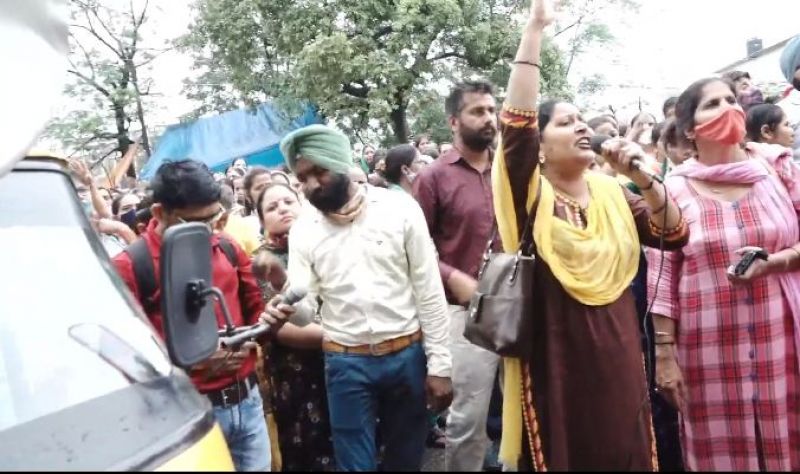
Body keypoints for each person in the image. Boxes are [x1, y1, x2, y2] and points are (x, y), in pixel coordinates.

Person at [492, 0, 688, 470]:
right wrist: (534, 30)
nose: (581, 125)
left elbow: (674, 232)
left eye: (582, 119)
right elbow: (515, 124)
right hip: (556, 357)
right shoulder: (528, 197)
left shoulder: (613, 192)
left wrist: (643, 178)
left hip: (620, 349)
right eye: (564, 122)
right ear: (537, 149)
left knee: (626, 445)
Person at [266, 124, 453, 471]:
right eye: (302, 178)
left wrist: (440, 365)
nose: (310, 186)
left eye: (318, 172)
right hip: (345, 363)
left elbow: (428, 290)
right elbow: (307, 311)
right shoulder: (305, 228)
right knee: (354, 464)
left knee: (405, 460)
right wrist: (284, 292)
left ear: (340, 163)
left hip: (406, 357)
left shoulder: (399, 209)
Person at [647, 76, 800, 471]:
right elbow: (661, 277)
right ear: (690, 130)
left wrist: (777, 262)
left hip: (782, 338)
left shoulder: (777, 168)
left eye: (731, 100)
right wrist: (664, 356)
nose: (728, 108)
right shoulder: (673, 190)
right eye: (712, 104)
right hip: (707, 348)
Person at [112, 160, 274, 471]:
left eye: (215, 219)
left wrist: (257, 331)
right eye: (198, 223)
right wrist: (187, 361)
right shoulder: (131, 266)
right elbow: (126, 355)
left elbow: (256, 308)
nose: (211, 230)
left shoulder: (226, 246)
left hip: (248, 402)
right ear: (160, 213)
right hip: (188, 416)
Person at [413, 79, 500, 472]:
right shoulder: (434, 177)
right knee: (468, 420)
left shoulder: (510, 169)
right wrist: (453, 278)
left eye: (492, 110)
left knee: (522, 411)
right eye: (477, 111)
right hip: (463, 315)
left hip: (517, 307)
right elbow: (417, 251)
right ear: (453, 121)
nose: (489, 118)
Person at [252, 182, 336, 472]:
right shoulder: (262, 262)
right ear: (261, 220)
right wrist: (345, 338)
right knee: (311, 449)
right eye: (272, 207)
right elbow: (281, 329)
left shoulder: (322, 246)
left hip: (344, 361)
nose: (283, 209)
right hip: (298, 372)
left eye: (288, 201)